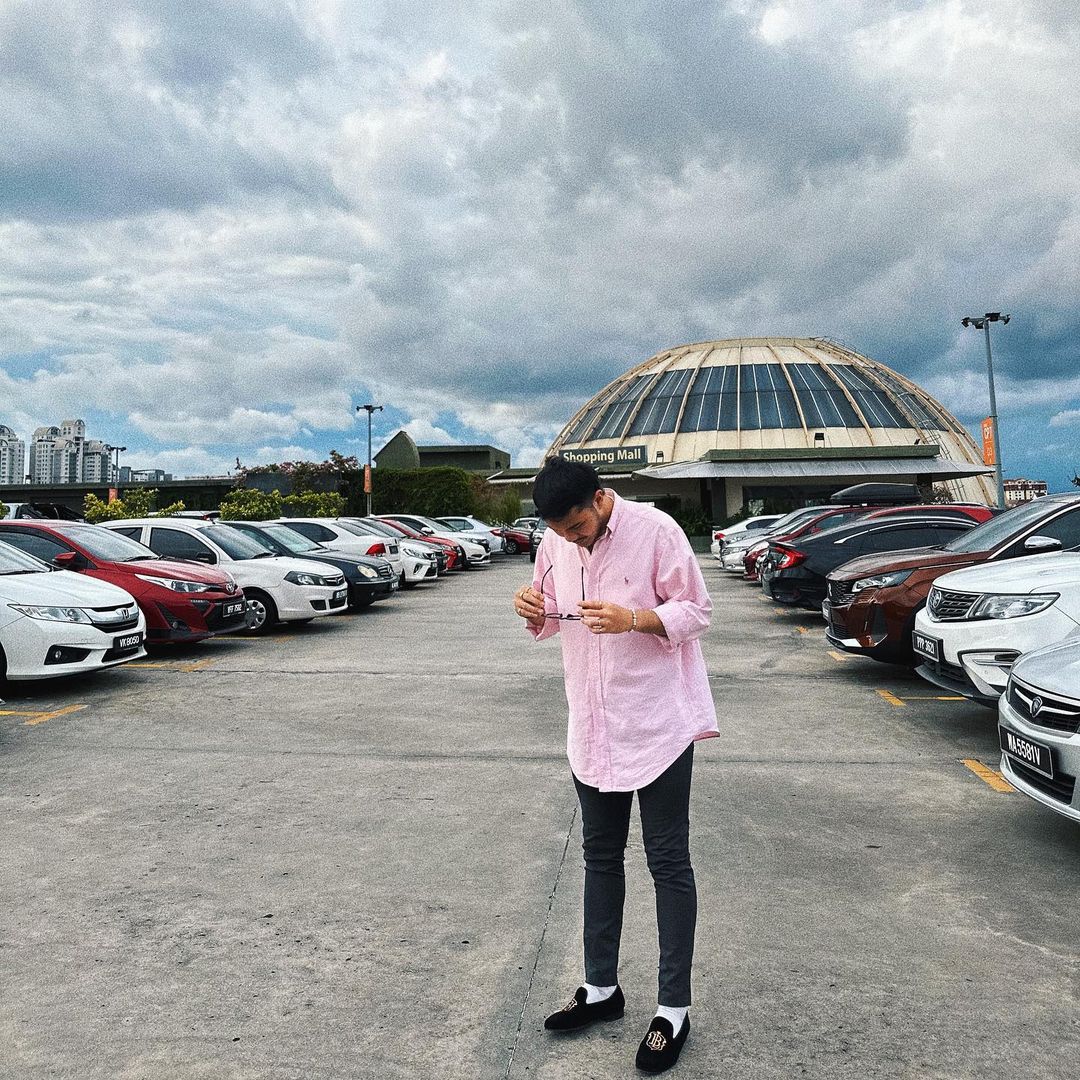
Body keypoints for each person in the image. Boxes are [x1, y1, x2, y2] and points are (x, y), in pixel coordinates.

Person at [512, 456, 717, 1074]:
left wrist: (636, 619)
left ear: (601, 499)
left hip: (657, 725)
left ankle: (673, 1009)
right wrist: (533, 608)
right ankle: (601, 988)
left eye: (577, 526)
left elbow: (697, 611)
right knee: (599, 856)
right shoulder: (555, 542)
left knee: (668, 862)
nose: (571, 539)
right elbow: (551, 615)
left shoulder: (656, 531)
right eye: (560, 531)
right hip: (592, 725)